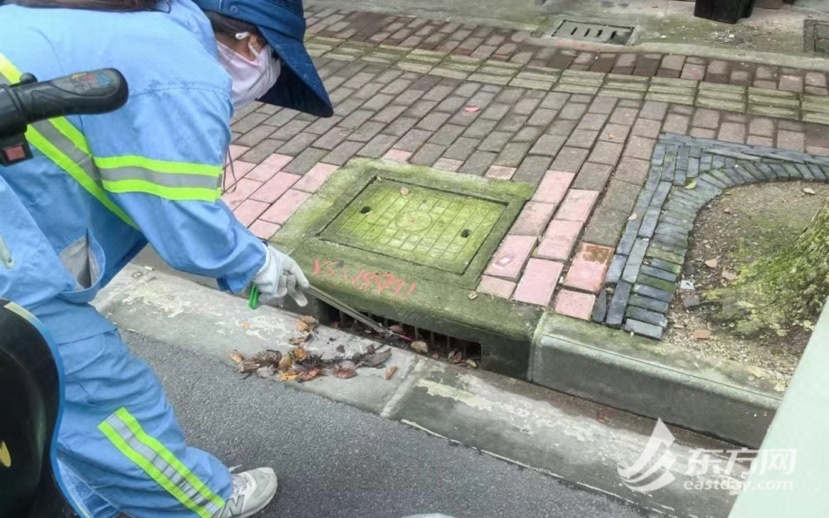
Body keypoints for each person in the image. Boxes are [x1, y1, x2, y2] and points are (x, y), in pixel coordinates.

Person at [0, 0, 332, 516]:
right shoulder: (181, 68)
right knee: (98, 392)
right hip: (12, 264)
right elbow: (182, 216)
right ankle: (202, 504)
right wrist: (254, 261)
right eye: (276, 64)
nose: (265, 82)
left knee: (48, 399)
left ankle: (102, 502)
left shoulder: (120, 29)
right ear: (251, 42)